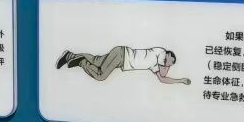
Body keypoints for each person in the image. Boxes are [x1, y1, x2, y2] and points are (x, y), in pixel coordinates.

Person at [56, 45, 191, 86]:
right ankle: (81, 62)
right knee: (101, 75)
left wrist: (180, 80)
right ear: (168, 55)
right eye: (169, 62)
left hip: (120, 56)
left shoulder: (154, 65)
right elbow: (163, 73)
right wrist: (167, 65)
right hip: (122, 55)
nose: (168, 65)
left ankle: (69, 56)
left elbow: (162, 79)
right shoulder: (161, 52)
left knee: (97, 61)